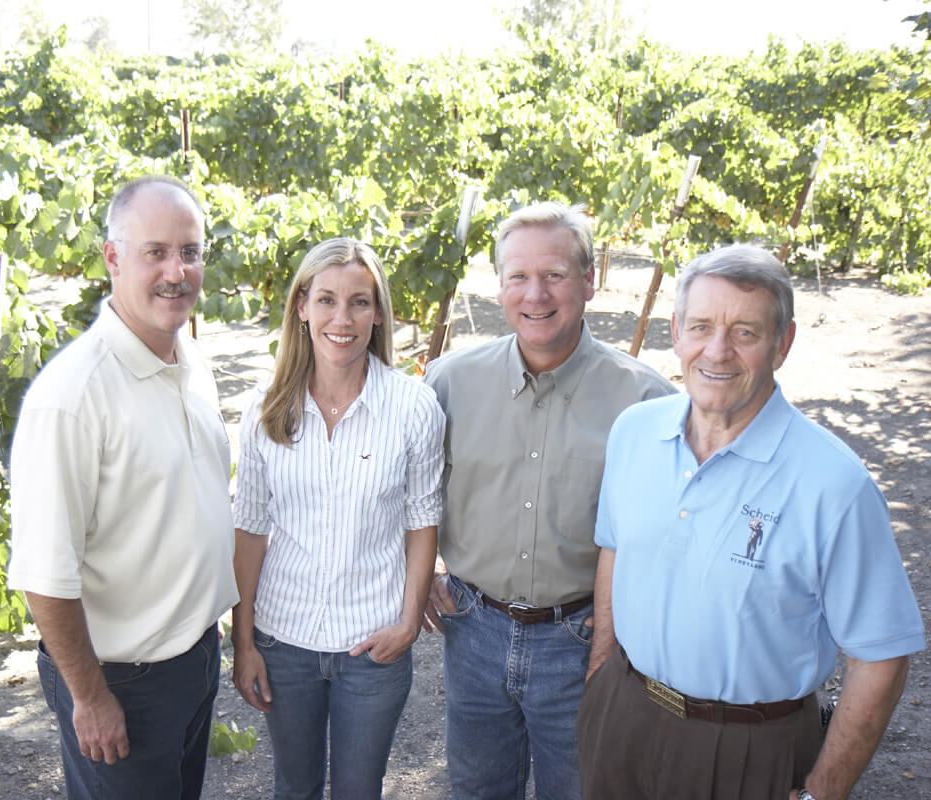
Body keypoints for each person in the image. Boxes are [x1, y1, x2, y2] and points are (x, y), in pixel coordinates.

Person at [578, 244, 926, 800]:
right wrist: (602, 675)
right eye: (701, 327)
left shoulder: (834, 484)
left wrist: (823, 790)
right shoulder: (634, 432)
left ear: (782, 344)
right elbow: (615, 549)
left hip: (747, 747)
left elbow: (880, 653)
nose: (716, 350)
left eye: (745, 332)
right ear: (676, 331)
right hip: (624, 718)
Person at [421, 202, 675, 800]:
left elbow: (669, 537)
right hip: (472, 632)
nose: (535, 294)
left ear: (589, 280)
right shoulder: (448, 383)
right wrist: (424, 570)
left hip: (584, 640)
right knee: (479, 789)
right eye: (518, 276)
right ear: (500, 285)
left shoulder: (647, 403)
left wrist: (617, 634)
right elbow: (409, 493)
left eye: (555, 275)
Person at [7, 176, 237, 800]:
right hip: (121, 686)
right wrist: (90, 696)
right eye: (155, 252)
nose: (177, 271)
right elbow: (43, 573)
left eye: (190, 252)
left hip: (191, 657)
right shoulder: (73, 398)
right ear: (112, 257)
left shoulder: (189, 363)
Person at [230, 238, 445, 800]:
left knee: (358, 790)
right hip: (284, 642)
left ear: (378, 315)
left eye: (359, 302)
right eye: (326, 300)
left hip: (372, 647)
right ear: (301, 307)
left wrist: (407, 620)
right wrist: (244, 641)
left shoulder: (413, 408)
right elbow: (250, 530)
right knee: (294, 788)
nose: (341, 319)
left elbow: (422, 522)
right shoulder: (264, 411)